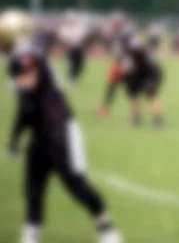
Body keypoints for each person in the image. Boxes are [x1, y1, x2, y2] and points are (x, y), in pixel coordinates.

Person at [6, 42, 122, 243]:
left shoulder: (37, 65)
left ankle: (105, 226)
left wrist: (14, 139)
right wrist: (14, 139)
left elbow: (26, 108)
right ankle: (31, 232)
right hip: (40, 135)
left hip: (62, 134)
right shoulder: (26, 71)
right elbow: (24, 108)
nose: (23, 79)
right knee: (33, 187)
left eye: (27, 73)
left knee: (76, 185)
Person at [97, 37, 164, 128]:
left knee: (150, 94)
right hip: (134, 76)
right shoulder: (121, 61)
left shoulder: (140, 54)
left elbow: (153, 69)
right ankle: (136, 116)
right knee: (134, 95)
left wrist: (151, 82)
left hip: (150, 74)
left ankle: (157, 119)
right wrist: (106, 104)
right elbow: (112, 84)